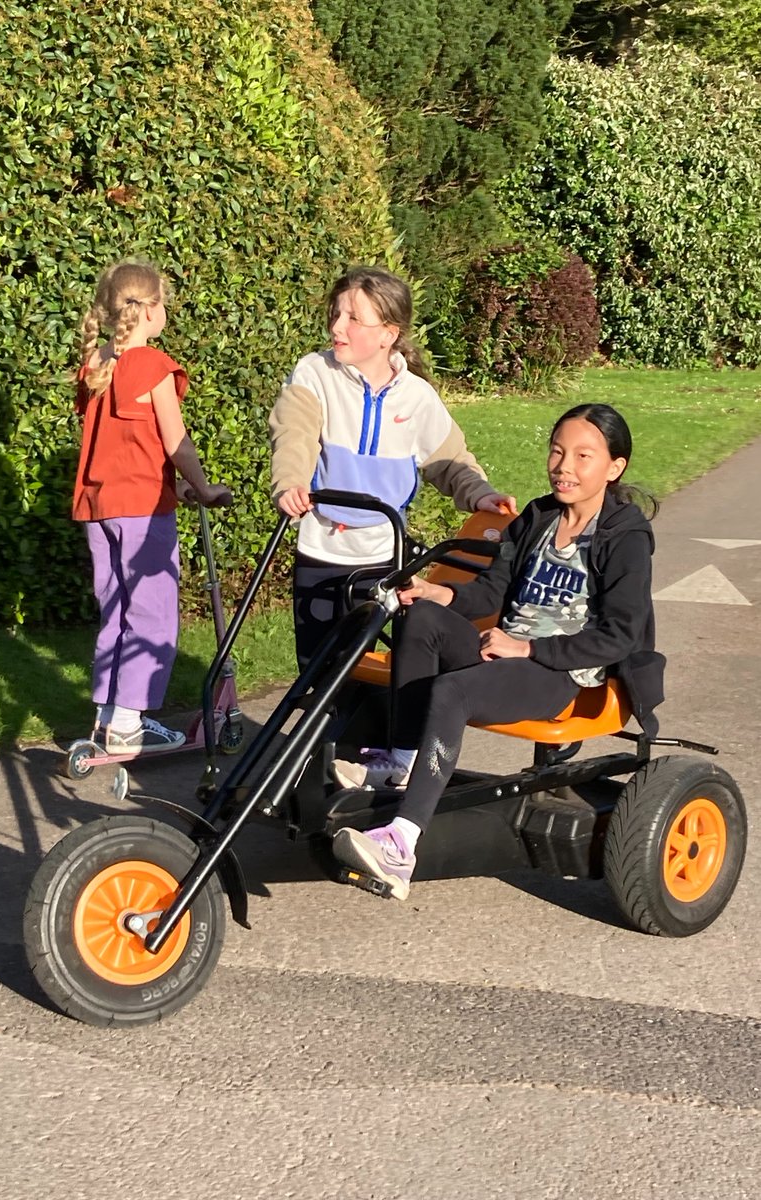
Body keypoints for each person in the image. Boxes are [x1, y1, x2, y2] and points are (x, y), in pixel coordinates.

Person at [330, 402, 665, 900]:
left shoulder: (626, 537)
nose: (564, 466)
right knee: (419, 615)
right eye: (557, 451)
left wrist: (527, 647)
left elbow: (618, 635)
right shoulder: (538, 516)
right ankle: (402, 762)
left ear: (615, 467)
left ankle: (401, 845)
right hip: (505, 649)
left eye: (583, 456)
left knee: (451, 692)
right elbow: (493, 591)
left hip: (561, 671)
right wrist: (442, 594)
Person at [269, 265, 517, 668]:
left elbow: (450, 461)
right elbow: (293, 434)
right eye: (336, 313)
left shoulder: (416, 397)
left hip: (385, 554)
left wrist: (480, 494)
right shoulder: (314, 372)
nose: (338, 326)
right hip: (321, 548)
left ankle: (365, 730)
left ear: (388, 334)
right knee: (316, 666)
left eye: (353, 318)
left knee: (368, 666)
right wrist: (291, 483)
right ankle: (325, 730)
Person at [72, 260, 232, 755]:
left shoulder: (96, 364)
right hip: (142, 507)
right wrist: (201, 485)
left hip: (100, 507)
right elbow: (173, 440)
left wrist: (174, 489)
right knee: (152, 614)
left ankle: (106, 715)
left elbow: (121, 446)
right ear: (152, 310)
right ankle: (127, 724)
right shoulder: (153, 366)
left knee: (117, 610)